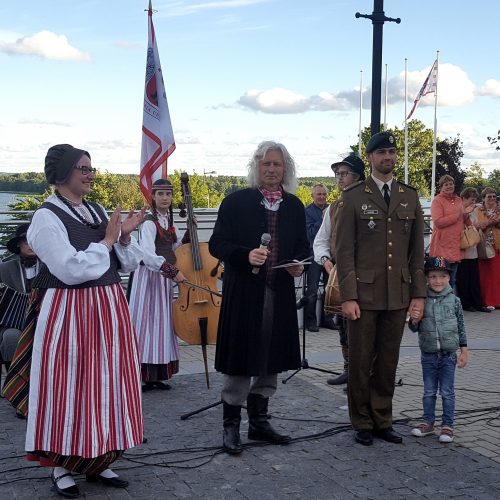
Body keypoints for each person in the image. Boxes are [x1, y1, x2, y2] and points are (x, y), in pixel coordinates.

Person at [24, 144, 145, 498]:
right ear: (62, 173)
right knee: (68, 385)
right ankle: (61, 465)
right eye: (83, 168)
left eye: (91, 167)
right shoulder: (46, 217)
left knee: (105, 383)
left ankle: (97, 458)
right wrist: (108, 240)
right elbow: (70, 269)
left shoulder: (94, 209)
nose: (90, 174)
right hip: (69, 310)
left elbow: (123, 264)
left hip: (107, 305)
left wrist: (123, 238)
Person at [209, 140, 309, 455]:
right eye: (266, 164)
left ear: (285, 169)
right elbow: (216, 244)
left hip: (278, 294)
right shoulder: (236, 202)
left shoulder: (294, 205)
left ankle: (259, 422)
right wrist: (244, 254)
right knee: (240, 360)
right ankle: (231, 427)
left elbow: (302, 247)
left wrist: (298, 264)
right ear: (257, 167)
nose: (271, 169)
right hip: (244, 294)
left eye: (277, 164)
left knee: (271, 359)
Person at [335, 131, 426, 446]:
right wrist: (348, 296)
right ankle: (361, 421)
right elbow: (344, 252)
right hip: (363, 294)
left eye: (392, 151)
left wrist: (418, 294)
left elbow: (417, 254)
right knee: (360, 361)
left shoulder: (409, 196)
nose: (388, 157)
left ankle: (382, 418)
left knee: (388, 360)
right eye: (381, 152)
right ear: (370, 157)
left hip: (397, 294)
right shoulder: (352, 197)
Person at [129, 178, 187, 392]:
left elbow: (176, 246)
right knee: (145, 325)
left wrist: (189, 232)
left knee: (161, 327)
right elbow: (147, 253)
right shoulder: (148, 222)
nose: (165, 198)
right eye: (161, 194)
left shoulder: (169, 222)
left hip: (163, 279)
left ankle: (156, 375)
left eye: (168, 194)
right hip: (149, 278)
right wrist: (171, 271)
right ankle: (141, 375)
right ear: (152, 197)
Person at [313, 154, 366, 386]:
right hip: (340, 275)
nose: (340, 179)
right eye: (338, 174)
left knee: (364, 328)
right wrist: (325, 260)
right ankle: (349, 369)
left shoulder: (371, 203)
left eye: (344, 174)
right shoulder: (334, 207)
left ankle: (365, 375)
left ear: (358, 176)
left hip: (367, 276)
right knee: (343, 323)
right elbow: (321, 240)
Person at [409, 256, 468, 443]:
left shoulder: (455, 301)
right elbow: (413, 327)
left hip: (449, 356)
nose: (437, 281)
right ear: (427, 278)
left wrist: (464, 351)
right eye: (433, 276)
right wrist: (414, 319)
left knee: (447, 392)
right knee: (428, 391)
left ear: (448, 278)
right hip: (428, 355)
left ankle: (447, 426)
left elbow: (461, 327)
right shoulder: (422, 300)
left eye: (442, 276)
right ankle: (428, 422)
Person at [0, 223, 39, 392]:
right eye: (26, 241)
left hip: (44, 322)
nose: (30, 244)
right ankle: (18, 389)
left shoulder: (51, 268)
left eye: (34, 240)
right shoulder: (5, 269)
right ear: (18, 244)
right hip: (13, 324)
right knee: (10, 337)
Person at [429, 175, 473, 288]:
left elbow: (464, 219)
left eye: (451, 183)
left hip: (456, 246)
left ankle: (450, 304)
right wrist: (457, 215)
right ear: (441, 187)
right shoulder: (437, 201)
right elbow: (438, 222)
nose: (449, 186)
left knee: (452, 279)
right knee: (440, 279)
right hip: (441, 247)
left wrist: (467, 215)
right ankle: (440, 304)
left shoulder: (458, 200)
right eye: (446, 184)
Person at [455, 188, 490, 313]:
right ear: (464, 198)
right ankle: (466, 303)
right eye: (471, 199)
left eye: (475, 199)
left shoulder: (473, 210)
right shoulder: (460, 209)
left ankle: (477, 303)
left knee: (474, 277)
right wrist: (476, 224)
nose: (473, 202)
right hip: (463, 248)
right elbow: (461, 225)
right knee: (464, 278)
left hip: (472, 247)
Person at [304, 184, 332, 332]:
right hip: (314, 255)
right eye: (319, 194)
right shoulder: (307, 212)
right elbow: (309, 235)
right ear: (313, 196)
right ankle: (311, 321)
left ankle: (327, 319)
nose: (322, 197)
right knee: (312, 289)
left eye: (324, 194)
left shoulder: (332, 209)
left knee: (330, 289)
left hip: (330, 255)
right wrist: (322, 219)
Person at [474, 187, 500, 308]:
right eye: (489, 196)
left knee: (496, 274)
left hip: (497, 245)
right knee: (484, 274)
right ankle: (486, 301)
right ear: (483, 198)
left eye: (494, 196)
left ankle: (496, 301)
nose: (492, 199)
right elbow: (479, 224)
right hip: (484, 245)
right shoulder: (479, 210)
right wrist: (491, 223)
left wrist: (495, 223)